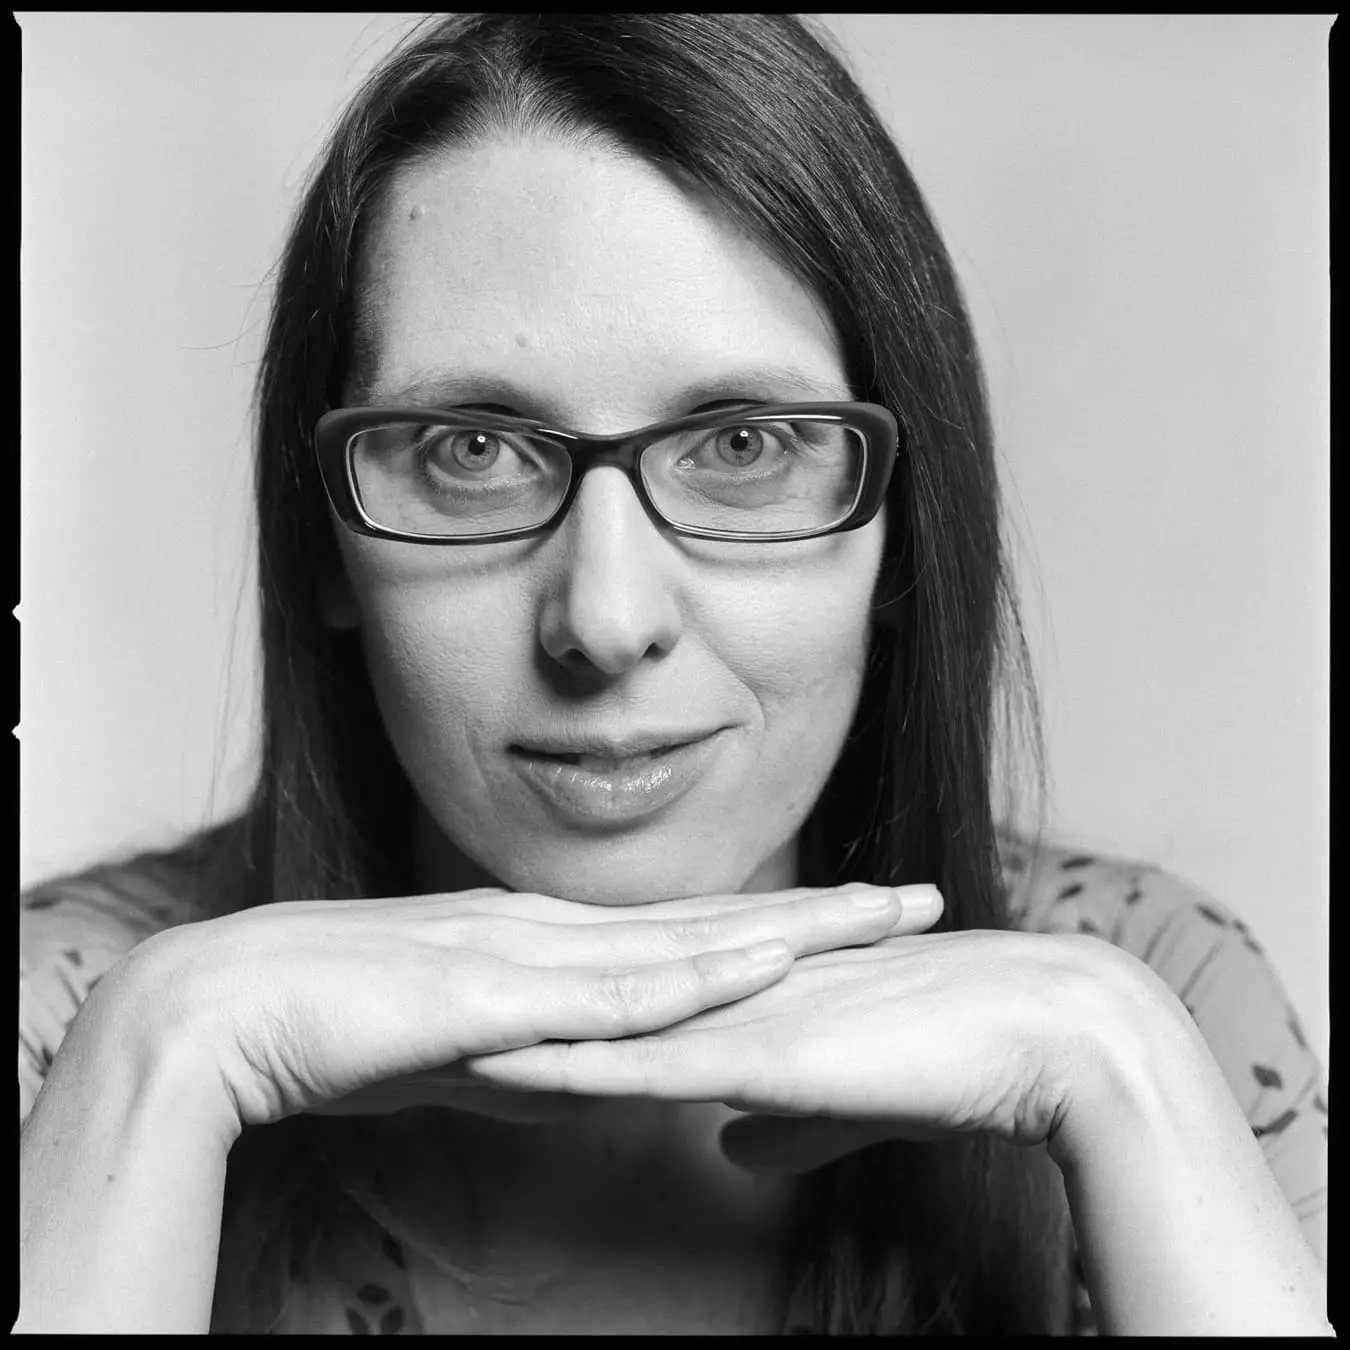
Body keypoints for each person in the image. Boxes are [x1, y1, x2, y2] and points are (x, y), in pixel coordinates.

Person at [17, 12, 1329, 1336]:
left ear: (899, 533)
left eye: (743, 444)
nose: (605, 618)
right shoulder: (71, 1030)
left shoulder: (1149, 1008)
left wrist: (1119, 1072)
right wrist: (155, 1061)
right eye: (472, 450)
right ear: (326, 547)